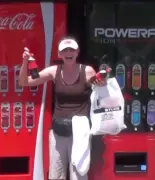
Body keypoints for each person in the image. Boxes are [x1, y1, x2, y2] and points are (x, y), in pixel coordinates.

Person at [18, 36, 105, 180]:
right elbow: (24, 82)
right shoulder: (54, 71)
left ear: (77, 52)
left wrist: (102, 81)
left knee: (78, 175)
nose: (68, 52)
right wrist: (25, 61)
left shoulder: (87, 71)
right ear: (59, 55)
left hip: (80, 134)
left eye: (72, 49)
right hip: (58, 133)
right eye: (65, 50)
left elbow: (99, 85)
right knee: (56, 175)